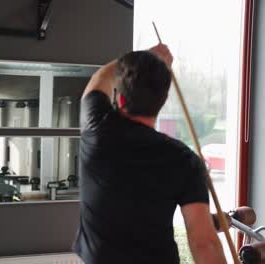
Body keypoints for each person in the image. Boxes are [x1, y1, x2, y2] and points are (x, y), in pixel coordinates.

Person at [73, 44, 227, 264]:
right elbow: (204, 244)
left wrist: (146, 56)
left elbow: (100, 78)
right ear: (162, 100)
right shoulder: (184, 160)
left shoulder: (98, 129)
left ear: (121, 99)